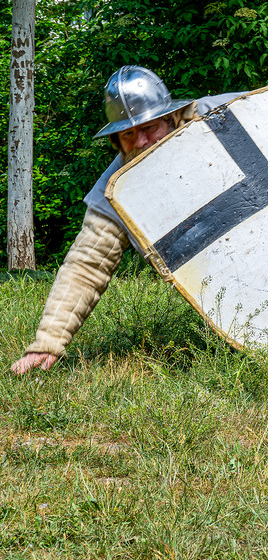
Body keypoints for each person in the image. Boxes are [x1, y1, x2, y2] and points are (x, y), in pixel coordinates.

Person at [10, 67, 239, 375]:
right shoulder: (116, 190)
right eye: (129, 134)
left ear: (172, 118)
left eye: (151, 127)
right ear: (116, 141)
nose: (142, 141)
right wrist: (47, 343)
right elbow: (86, 266)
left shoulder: (225, 115)